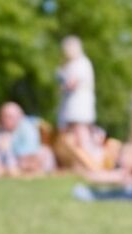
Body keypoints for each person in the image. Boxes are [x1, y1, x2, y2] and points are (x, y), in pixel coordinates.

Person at [57, 35, 99, 171]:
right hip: (75, 105)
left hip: (79, 106)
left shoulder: (81, 63)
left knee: (81, 136)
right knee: (76, 137)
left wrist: (62, 85)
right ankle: (80, 164)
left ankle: (89, 164)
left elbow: (71, 84)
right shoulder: (76, 63)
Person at [0, 102, 55, 175]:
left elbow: (30, 150)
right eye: (6, 116)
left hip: (26, 159)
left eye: (11, 117)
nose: (8, 120)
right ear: (0, 117)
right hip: (6, 164)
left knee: (45, 152)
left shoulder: (27, 128)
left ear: (20, 116)